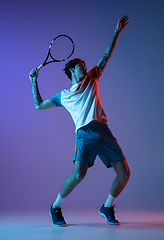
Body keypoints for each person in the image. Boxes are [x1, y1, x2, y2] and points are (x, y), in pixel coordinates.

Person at [29, 15, 130, 227]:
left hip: (104, 130)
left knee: (124, 174)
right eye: (81, 66)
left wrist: (116, 32)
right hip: (84, 133)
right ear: (71, 71)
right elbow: (38, 105)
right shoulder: (63, 95)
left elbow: (106, 55)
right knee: (78, 175)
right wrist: (34, 80)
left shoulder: (93, 77)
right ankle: (55, 207)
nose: (85, 67)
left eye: (85, 65)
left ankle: (107, 207)